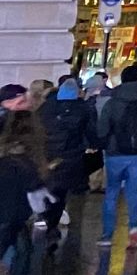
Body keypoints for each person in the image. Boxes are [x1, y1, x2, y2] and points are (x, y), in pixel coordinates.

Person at [94, 63, 137, 248]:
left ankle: (107, 235)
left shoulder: (114, 98)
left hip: (115, 152)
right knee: (133, 191)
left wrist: (105, 142)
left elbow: (102, 127)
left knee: (112, 192)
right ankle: (134, 228)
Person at [37, 75, 95, 239]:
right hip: (71, 156)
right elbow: (90, 131)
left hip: (48, 155)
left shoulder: (46, 107)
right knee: (61, 192)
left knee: (50, 186)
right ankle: (52, 223)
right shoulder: (82, 108)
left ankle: (47, 216)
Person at [0, 111, 45, 275]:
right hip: (13, 219)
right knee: (22, 254)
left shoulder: (8, 159)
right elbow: (37, 202)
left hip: (8, 219)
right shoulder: (28, 163)